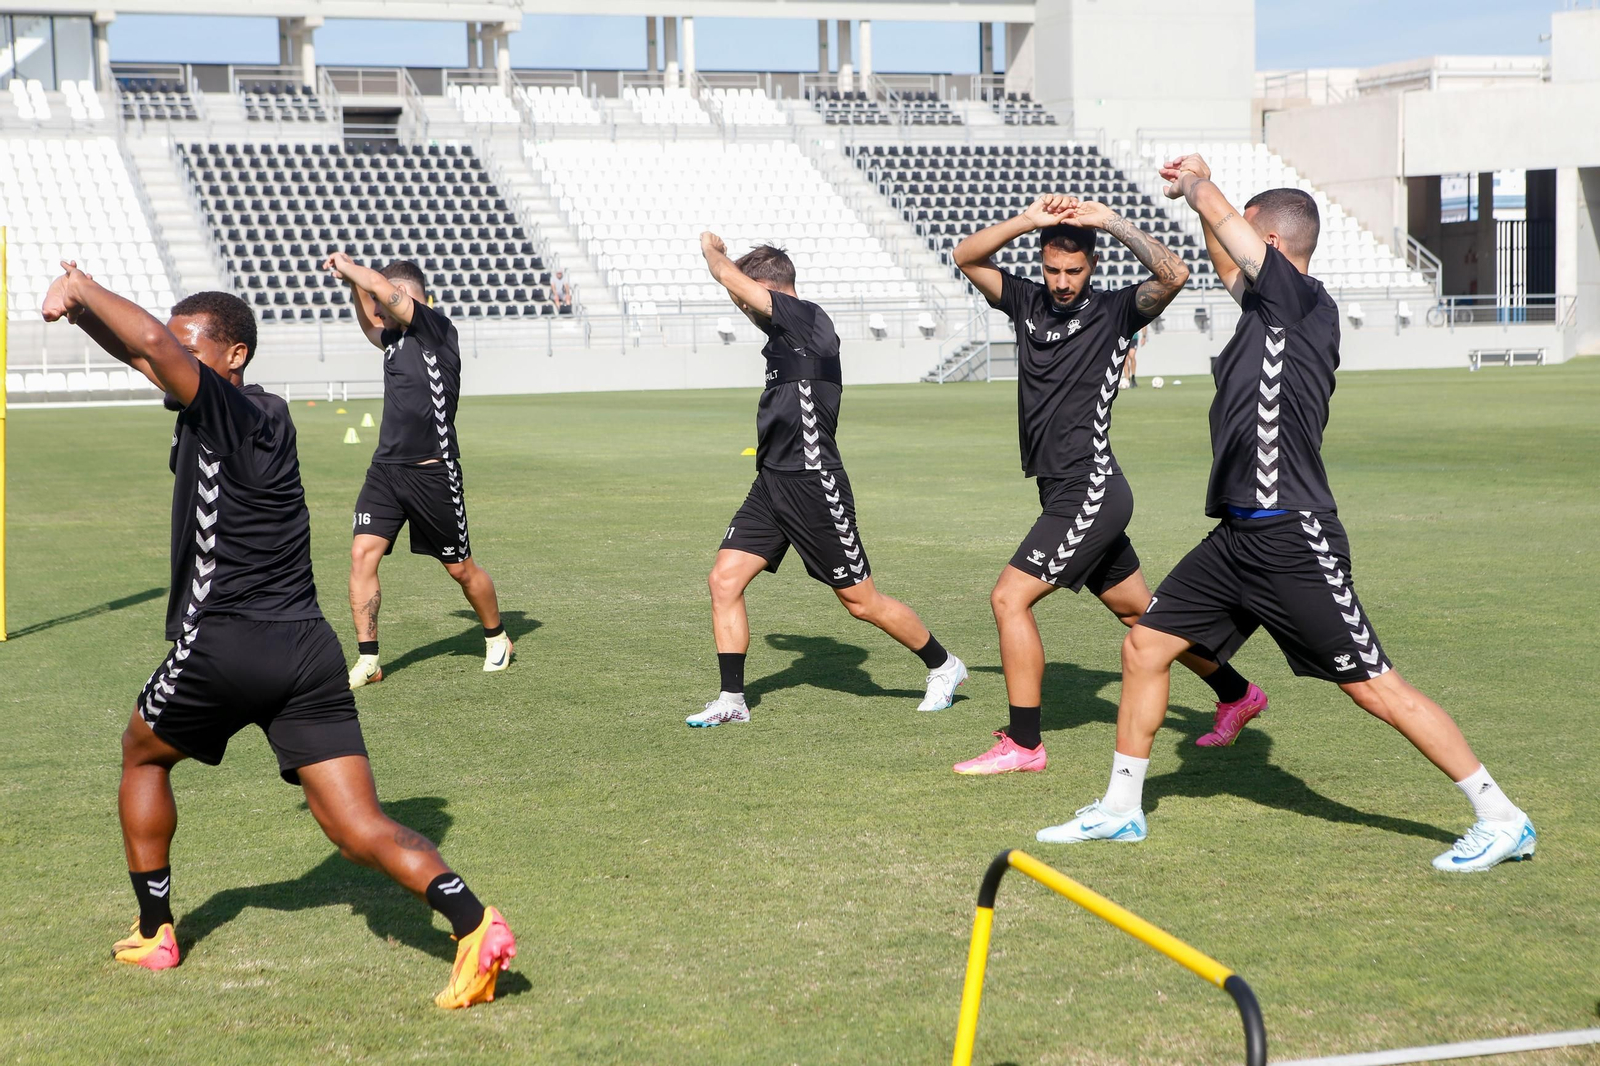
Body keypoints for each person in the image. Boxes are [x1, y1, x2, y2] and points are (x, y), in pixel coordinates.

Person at [1035, 156, 1537, 873]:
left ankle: (1501, 816)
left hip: (1293, 534)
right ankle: (1120, 811)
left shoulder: (1301, 302)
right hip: (1238, 538)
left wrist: (1196, 187)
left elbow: (1234, 239)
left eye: (1250, 241)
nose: (1239, 254)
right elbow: (1226, 257)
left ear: (1272, 246)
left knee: (1374, 687)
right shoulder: (1270, 308)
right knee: (1146, 646)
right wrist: (1178, 206)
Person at [40, 267, 517, 1004]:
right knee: (358, 827)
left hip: (226, 643)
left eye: (188, 343)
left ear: (234, 355)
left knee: (142, 754)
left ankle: (155, 931)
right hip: (305, 650)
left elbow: (146, 343)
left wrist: (83, 285)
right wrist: (81, 319)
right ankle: (471, 920)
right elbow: (142, 352)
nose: (171, 351)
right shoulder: (236, 411)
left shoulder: (232, 409)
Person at [947, 194, 1266, 774]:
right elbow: (965, 256)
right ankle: (1237, 693)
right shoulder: (1025, 301)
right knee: (1140, 613)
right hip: (1061, 489)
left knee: (1008, 598)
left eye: (1073, 271)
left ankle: (1023, 745)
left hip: (1090, 488)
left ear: (1091, 267)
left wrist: (1110, 221)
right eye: (1052, 269)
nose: (1062, 282)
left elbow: (1174, 274)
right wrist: (1030, 221)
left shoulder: (1117, 311)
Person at [688, 234, 967, 727]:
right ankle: (732, 700)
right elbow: (739, 289)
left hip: (814, 483)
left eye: (750, 296)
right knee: (724, 580)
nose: (744, 308)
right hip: (771, 483)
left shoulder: (807, 317)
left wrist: (713, 252)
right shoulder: (784, 335)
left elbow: (732, 280)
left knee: (862, 602)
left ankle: (944, 666)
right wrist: (731, 276)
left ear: (770, 289)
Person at [322, 253, 512, 688]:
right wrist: (354, 288)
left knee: (460, 569)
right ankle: (369, 660)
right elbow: (370, 324)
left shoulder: (435, 328)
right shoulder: (393, 338)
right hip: (385, 472)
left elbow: (378, 290)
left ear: (403, 295)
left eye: (381, 299)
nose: (376, 310)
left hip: (433, 474)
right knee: (361, 555)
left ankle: (497, 636)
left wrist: (352, 269)